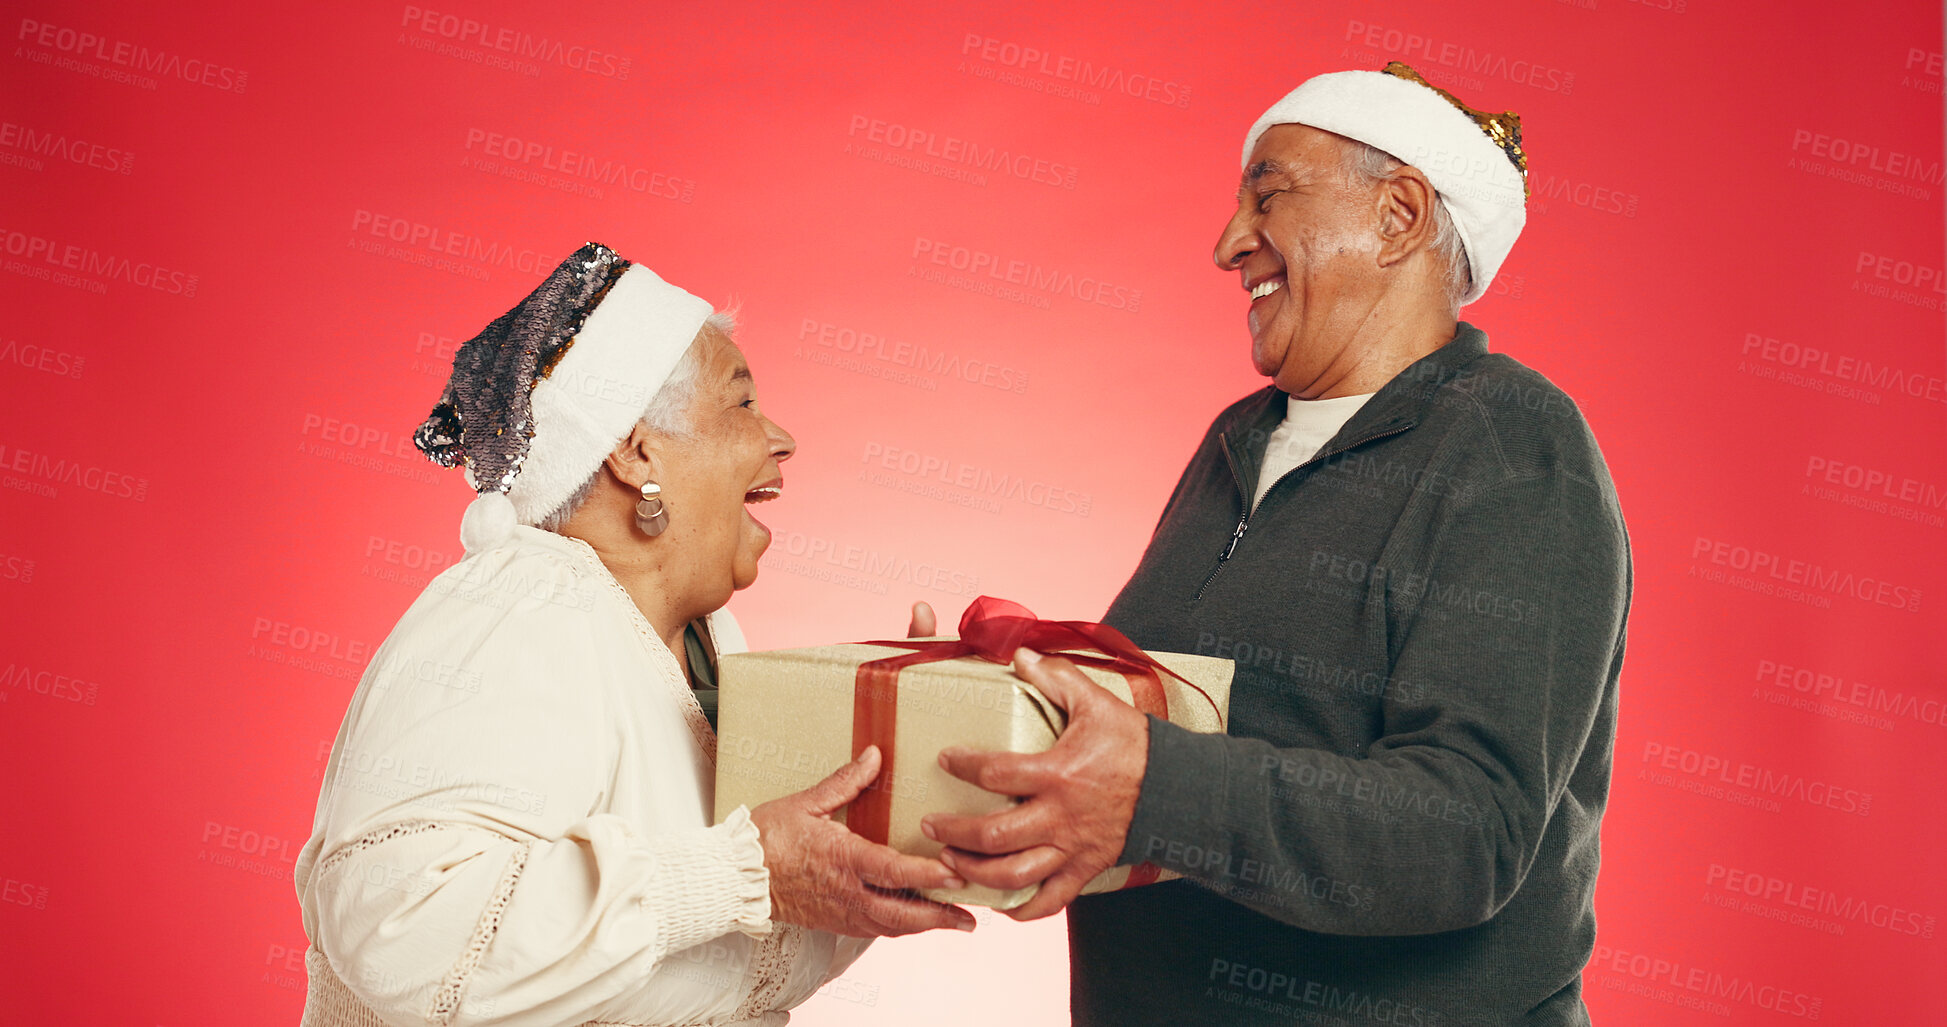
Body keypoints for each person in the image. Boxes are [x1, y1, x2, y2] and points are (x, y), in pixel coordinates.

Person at [914, 64, 1632, 1025]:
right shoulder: (1236, 441)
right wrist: (986, 705)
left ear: (1398, 216)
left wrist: (1151, 786)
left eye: (1269, 195)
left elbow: (1467, 833)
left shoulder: (1513, 448)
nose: (1226, 245)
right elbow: (1186, 719)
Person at [295, 243, 973, 1027]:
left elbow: (726, 962)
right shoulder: (523, 612)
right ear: (633, 447)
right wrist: (746, 870)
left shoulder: (704, 643)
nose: (780, 439)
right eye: (742, 404)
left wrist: (895, 792)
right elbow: (401, 933)